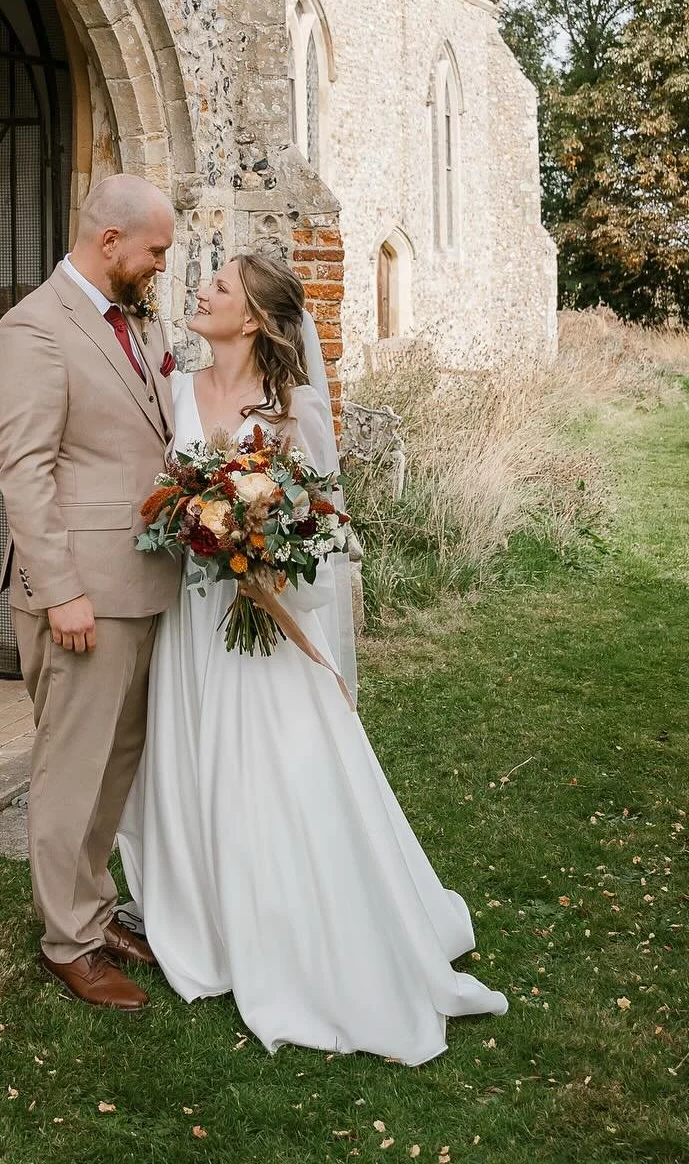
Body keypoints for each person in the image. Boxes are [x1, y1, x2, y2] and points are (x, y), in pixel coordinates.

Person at [118, 250, 509, 1063]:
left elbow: (321, 525)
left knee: (276, 763)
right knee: (196, 756)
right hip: (195, 616)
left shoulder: (292, 408)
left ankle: (297, 923)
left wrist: (261, 544)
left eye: (219, 286)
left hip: (260, 615)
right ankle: (208, 915)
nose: (201, 289)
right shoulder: (175, 389)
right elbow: (162, 493)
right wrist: (199, 518)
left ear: (255, 317)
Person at [0, 174, 181, 1012]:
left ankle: (94, 910)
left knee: (116, 764)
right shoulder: (33, 329)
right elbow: (24, 471)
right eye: (155, 251)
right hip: (79, 596)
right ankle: (66, 941)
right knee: (72, 766)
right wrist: (60, 590)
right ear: (110, 243)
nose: (162, 268)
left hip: (140, 582)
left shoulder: (138, 320)